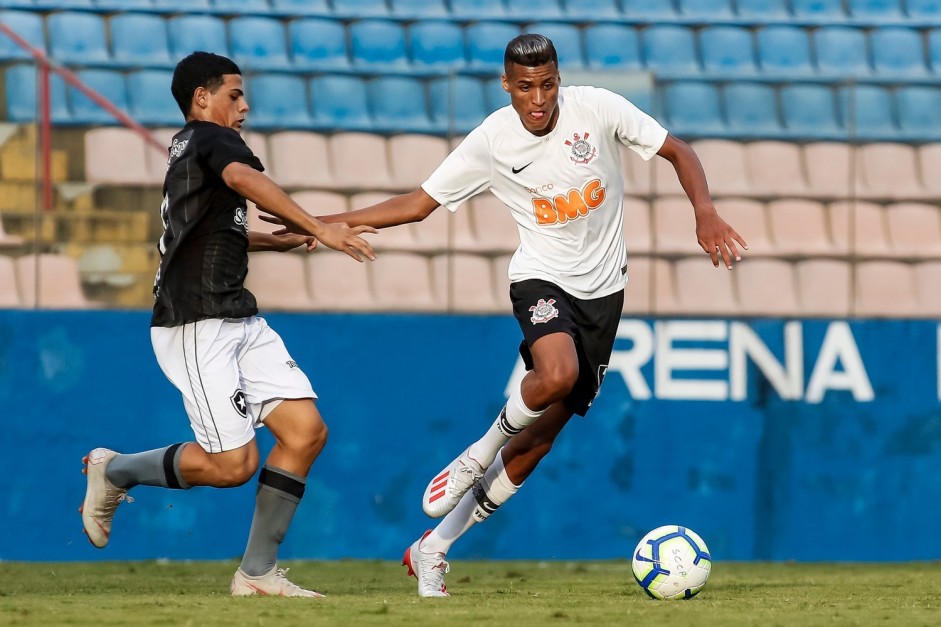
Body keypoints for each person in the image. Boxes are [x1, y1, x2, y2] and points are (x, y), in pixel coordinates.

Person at [269, 34, 747, 597]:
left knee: (540, 442)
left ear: (558, 78)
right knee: (556, 374)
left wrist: (705, 211)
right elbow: (417, 205)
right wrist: (318, 223)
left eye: (547, 84)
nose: (538, 98)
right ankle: (478, 452)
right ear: (506, 85)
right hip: (540, 278)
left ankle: (434, 548)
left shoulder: (599, 108)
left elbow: (679, 151)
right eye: (525, 87)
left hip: (604, 295)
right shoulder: (493, 140)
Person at [79, 51, 376, 598]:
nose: (244, 105)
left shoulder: (190, 153)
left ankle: (257, 575)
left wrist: (280, 239)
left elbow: (210, 233)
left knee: (306, 432)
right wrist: (318, 227)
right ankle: (116, 470)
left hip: (236, 314)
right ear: (203, 98)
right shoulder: (214, 142)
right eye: (235, 94)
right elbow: (243, 177)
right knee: (233, 464)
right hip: (197, 322)